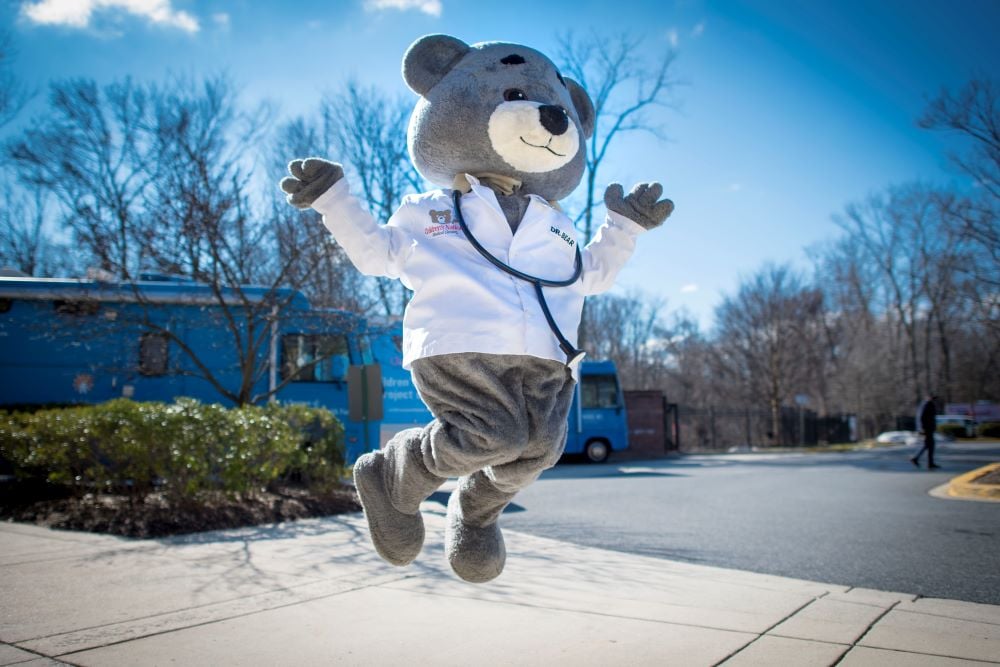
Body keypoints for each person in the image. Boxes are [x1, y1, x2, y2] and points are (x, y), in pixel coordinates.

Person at [912, 394, 940, 469]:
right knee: (929, 445)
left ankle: (920, 460)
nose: (935, 401)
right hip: (927, 429)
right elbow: (921, 417)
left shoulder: (928, 404)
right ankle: (919, 460)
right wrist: (921, 428)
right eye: (933, 399)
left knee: (928, 445)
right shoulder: (926, 404)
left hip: (929, 428)